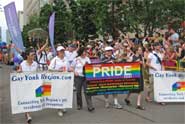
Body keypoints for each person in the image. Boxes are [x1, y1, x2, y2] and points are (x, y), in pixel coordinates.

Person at [48, 46, 70, 117]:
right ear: (57, 52)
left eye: (63, 51)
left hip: (65, 80)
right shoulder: (55, 60)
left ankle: (63, 106)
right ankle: (59, 109)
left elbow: (68, 68)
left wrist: (72, 70)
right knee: (58, 94)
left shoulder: (66, 59)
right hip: (57, 80)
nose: (62, 52)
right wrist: (58, 70)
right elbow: (50, 69)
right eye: (60, 51)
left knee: (64, 93)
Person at [17, 48, 38, 124]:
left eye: (34, 54)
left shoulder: (35, 64)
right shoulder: (22, 64)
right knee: (26, 99)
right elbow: (18, 73)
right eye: (32, 55)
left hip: (33, 85)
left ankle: (27, 112)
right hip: (24, 85)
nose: (34, 56)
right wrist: (19, 72)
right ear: (27, 56)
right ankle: (27, 114)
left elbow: (38, 74)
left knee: (31, 99)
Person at [71, 47, 95, 112]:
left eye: (85, 52)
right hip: (78, 77)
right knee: (78, 92)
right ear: (80, 53)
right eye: (83, 52)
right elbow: (71, 68)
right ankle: (79, 105)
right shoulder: (76, 59)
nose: (84, 53)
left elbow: (91, 67)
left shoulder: (87, 59)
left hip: (86, 77)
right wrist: (74, 72)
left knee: (87, 91)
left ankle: (90, 106)